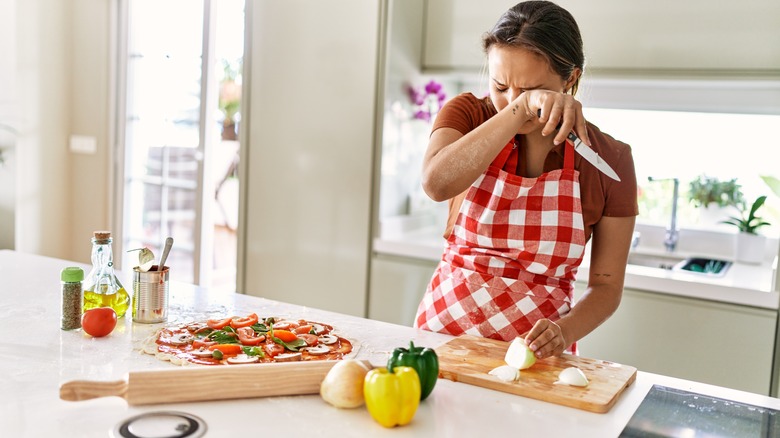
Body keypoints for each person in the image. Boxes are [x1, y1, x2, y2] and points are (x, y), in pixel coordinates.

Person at [414, 1, 638, 359]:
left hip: (534, 358)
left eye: (532, 88)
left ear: (571, 79)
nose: (509, 101)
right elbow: (436, 185)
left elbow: (607, 288)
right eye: (500, 86)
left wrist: (562, 333)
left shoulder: (611, 159)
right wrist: (520, 108)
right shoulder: (468, 114)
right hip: (442, 337)